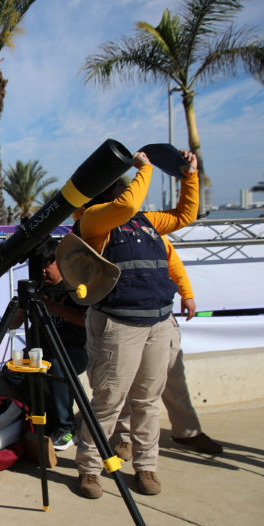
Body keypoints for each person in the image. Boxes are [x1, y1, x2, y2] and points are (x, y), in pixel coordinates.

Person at [74, 149, 199, 499]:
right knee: (108, 401)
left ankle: (146, 467)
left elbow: (186, 214)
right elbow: (126, 207)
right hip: (118, 325)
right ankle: (89, 469)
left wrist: (190, 175)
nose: (127, 189)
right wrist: (145, 168)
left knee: (147, 401)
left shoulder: (146, 222)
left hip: (157, 323)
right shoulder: (93, 218)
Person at [111, 241, 223, 459]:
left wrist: (187, 294)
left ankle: (187, 431)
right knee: (124, 379)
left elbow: (173, 261)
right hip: (123, 317)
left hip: (161, 315)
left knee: (174, 375)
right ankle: (124, 437)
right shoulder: (101, 223)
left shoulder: (150, 228)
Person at [4, 237, 87, 452]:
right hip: (39, 350)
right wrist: (24, 303)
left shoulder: (75, 288)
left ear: (59, 262)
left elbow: (85, 320)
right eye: (38, 267)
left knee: (59, 366)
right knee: (11, 372)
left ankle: (65, 427)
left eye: (46, 265)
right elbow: (12, 325)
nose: (42, 272)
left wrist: (51, 306)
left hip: (72, 350)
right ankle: (42, 417)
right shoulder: (37, 289)